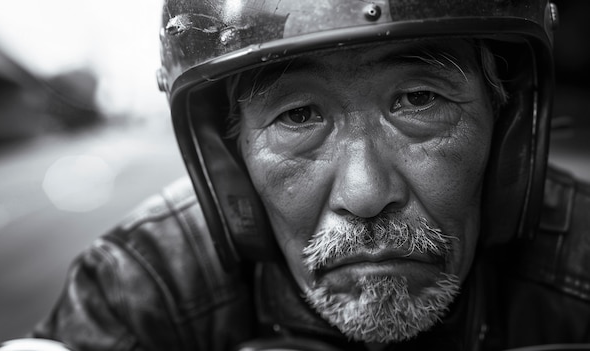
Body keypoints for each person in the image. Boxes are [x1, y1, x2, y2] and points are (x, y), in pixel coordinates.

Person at [29, 0, 590, 350]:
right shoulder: (143, 284)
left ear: (507, 127)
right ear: (233, 157)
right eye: (298, 115)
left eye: (418, 100)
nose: (366, 195)